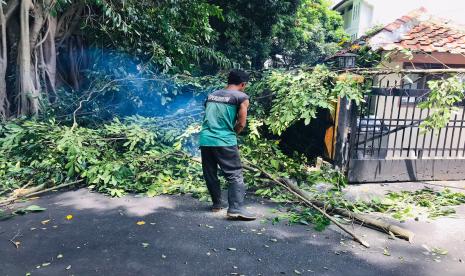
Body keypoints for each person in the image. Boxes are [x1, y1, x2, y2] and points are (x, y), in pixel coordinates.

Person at [199, 69, 256, 221]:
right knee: (235, 174)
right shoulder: (242, 97)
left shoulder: (212, 95)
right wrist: (232, 135)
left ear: (228, 81)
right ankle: (236, 209)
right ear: (243, 84)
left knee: (210, 173)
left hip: (205, 139)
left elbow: (211, 116)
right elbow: (242, 123)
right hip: (224, 139)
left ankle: (217, 204)